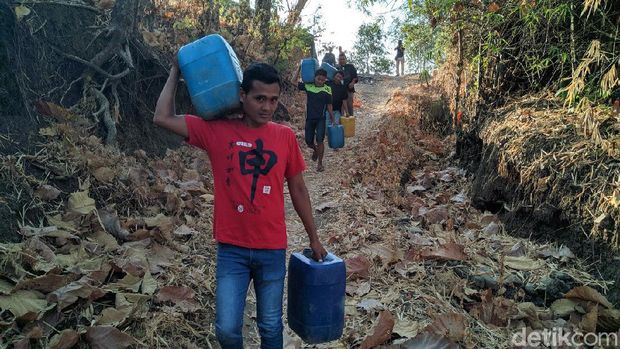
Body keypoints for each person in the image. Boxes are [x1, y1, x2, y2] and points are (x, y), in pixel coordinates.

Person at [153, 57, 328, 349]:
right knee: (226, 329)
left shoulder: (284, 136)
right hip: (231, 249)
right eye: (260, 98)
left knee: (271, 326)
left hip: (272, 248)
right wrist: (174, 71)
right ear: (242, 95)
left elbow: (298, 189)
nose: (267, 107)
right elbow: (162, 117)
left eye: (273, 100)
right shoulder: (216, 130)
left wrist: (314, 238)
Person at [297, 68, 335, 172]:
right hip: (309, 118)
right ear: (314, 78)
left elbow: (329, 104)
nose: (320, 81)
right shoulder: (308, 86)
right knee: (309, 141)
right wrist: (299, 70)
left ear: (325, 80)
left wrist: (332, 117)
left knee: (320, 140)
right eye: (318, 79)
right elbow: (293, 83)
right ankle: (315, 150)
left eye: (322, 80)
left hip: (321, 119)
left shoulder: (327, 89)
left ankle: (320, 164)